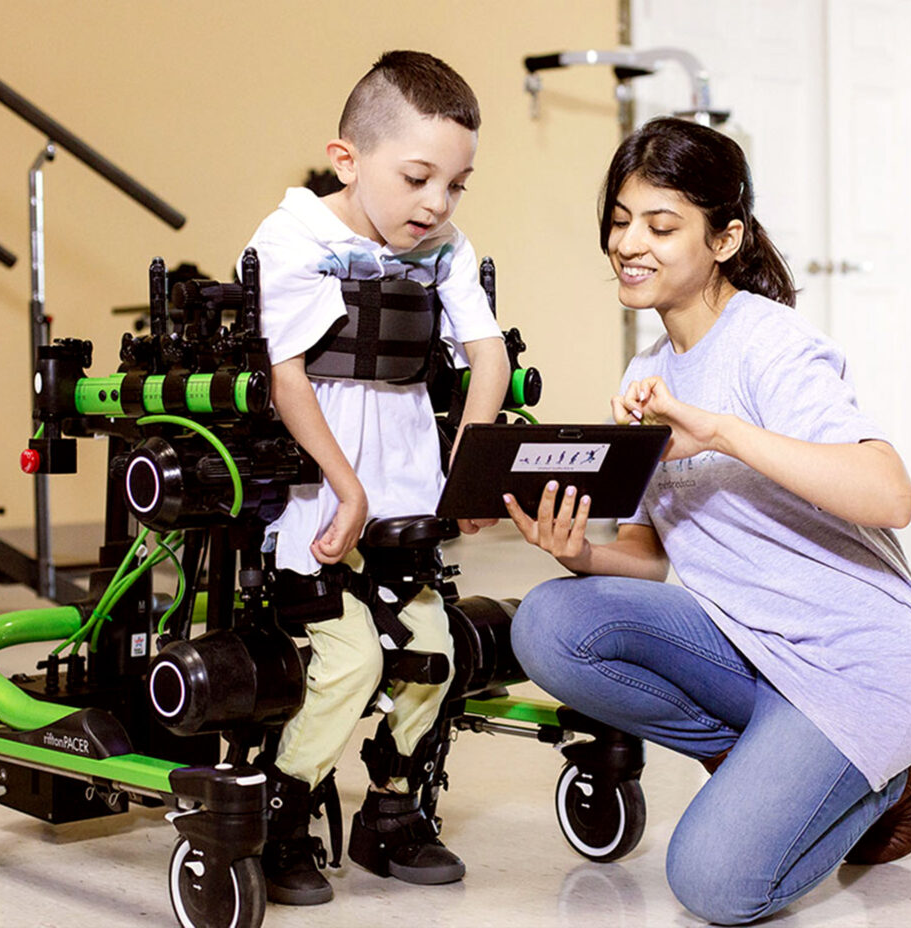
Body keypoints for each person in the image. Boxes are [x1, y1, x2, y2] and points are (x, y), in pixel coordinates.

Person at [505, 116, 911, 925]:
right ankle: (756, 760)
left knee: (713, 886)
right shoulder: (647, 372)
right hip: (749, 646)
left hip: (856, 668)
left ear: (725, 239)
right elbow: (650, 554)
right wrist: (580, 554)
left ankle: (900, 768)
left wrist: (717, 430)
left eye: (660, 224)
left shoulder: (772, 346)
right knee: (549, 621)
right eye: (619, 220)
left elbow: (890, 494)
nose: (628, 243)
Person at [240, 50, 509, 906]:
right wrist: (345, 488)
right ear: (350, 159)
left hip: (406, 496)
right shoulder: (292, 238)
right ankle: (281, 818)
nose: (437, 203)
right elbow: (286, 377)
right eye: (419, 177)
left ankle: (390, 812)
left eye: (457, 185)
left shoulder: (447, 247)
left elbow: (489, 355)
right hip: (316, 500)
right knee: (350, 662)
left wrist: (466, 469)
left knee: (430, 654)